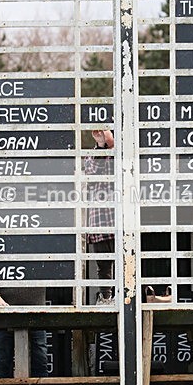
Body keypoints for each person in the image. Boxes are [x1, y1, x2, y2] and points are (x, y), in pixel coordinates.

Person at [84, 128, 115, 305]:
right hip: (100, 218)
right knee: (103, 264)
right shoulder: (92, 155)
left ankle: (124, 295)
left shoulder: (125, 153)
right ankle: (106, 298)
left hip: (120, 217)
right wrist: (102, 146)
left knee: (126, 259)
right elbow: (91, 172)